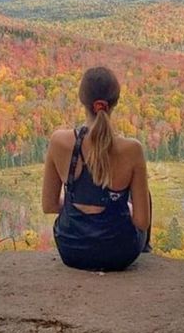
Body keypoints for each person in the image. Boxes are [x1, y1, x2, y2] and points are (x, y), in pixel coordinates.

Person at [42, 66, 151, 271]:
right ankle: (147, 250)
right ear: (115, 102)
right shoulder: (132, 150)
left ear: (82, 100)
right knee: (143, 196)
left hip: (72, 249)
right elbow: (142, 222)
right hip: (119, 254)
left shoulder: (59, 142)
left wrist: (79, 202)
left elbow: (49, 206)